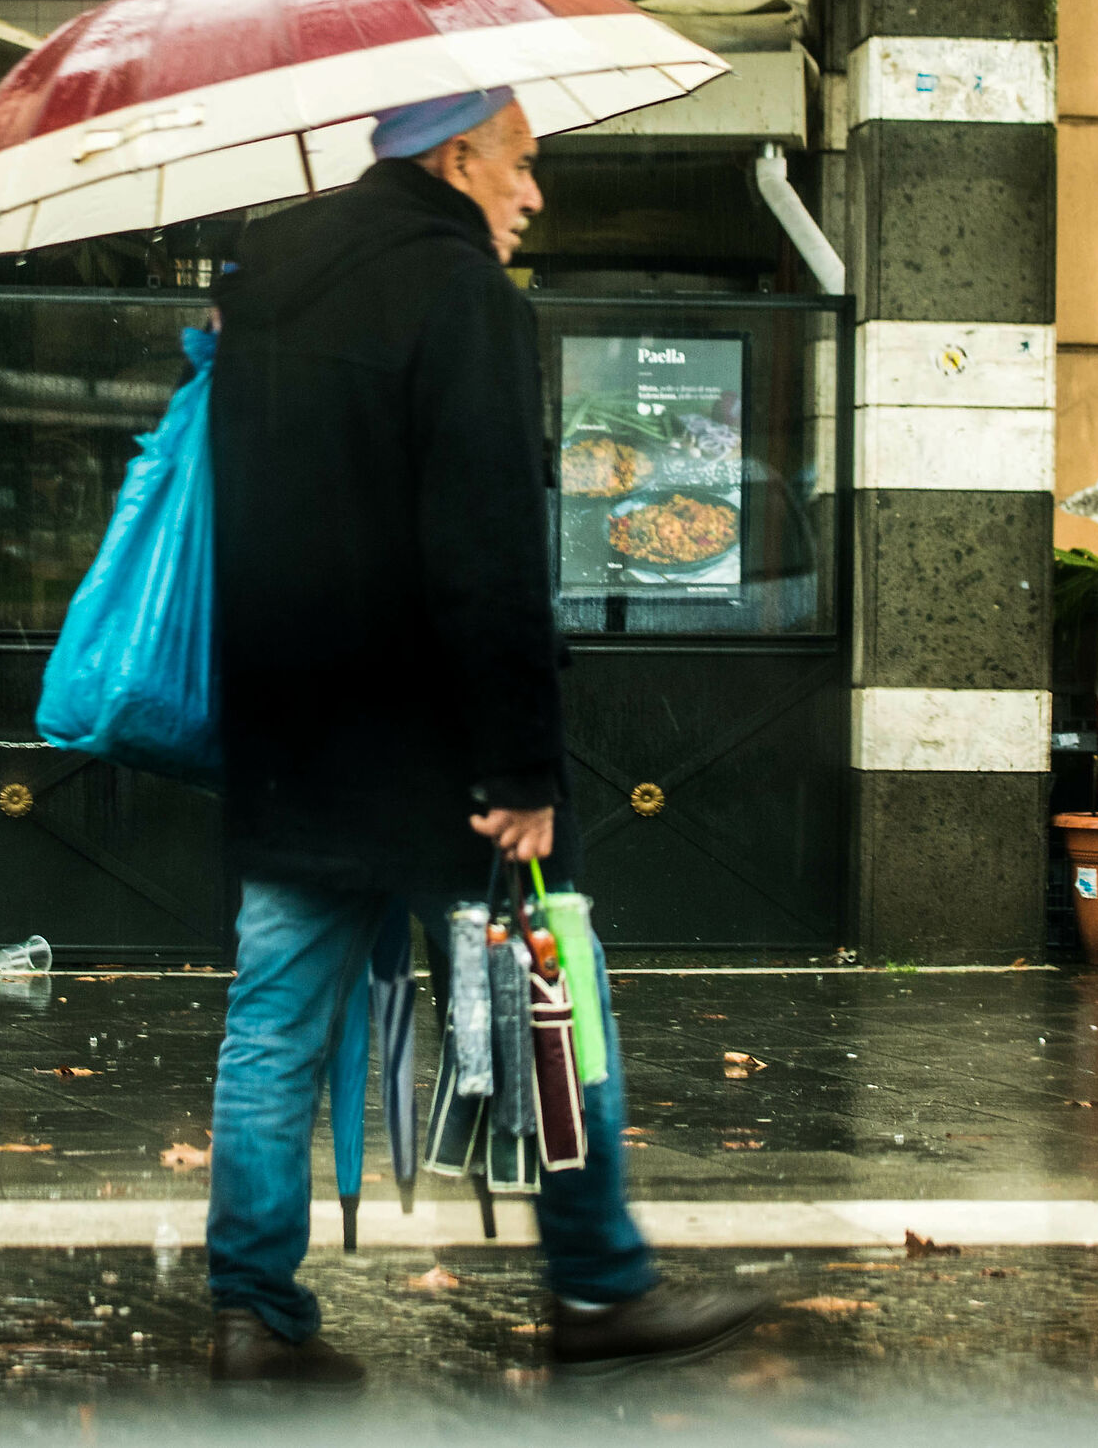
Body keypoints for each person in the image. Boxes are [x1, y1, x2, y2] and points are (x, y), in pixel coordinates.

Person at [201, 88, 769, 1384]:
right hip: (442, 757)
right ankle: (601, 1284)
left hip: (293, 736)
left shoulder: (265, 290)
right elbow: (491, 550)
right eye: (521, 162)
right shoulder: (463, 300)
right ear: (455, 160)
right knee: (550, 1003)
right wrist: (521, 763)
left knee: (274, 1020)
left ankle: (250, 1306)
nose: (535, 192)